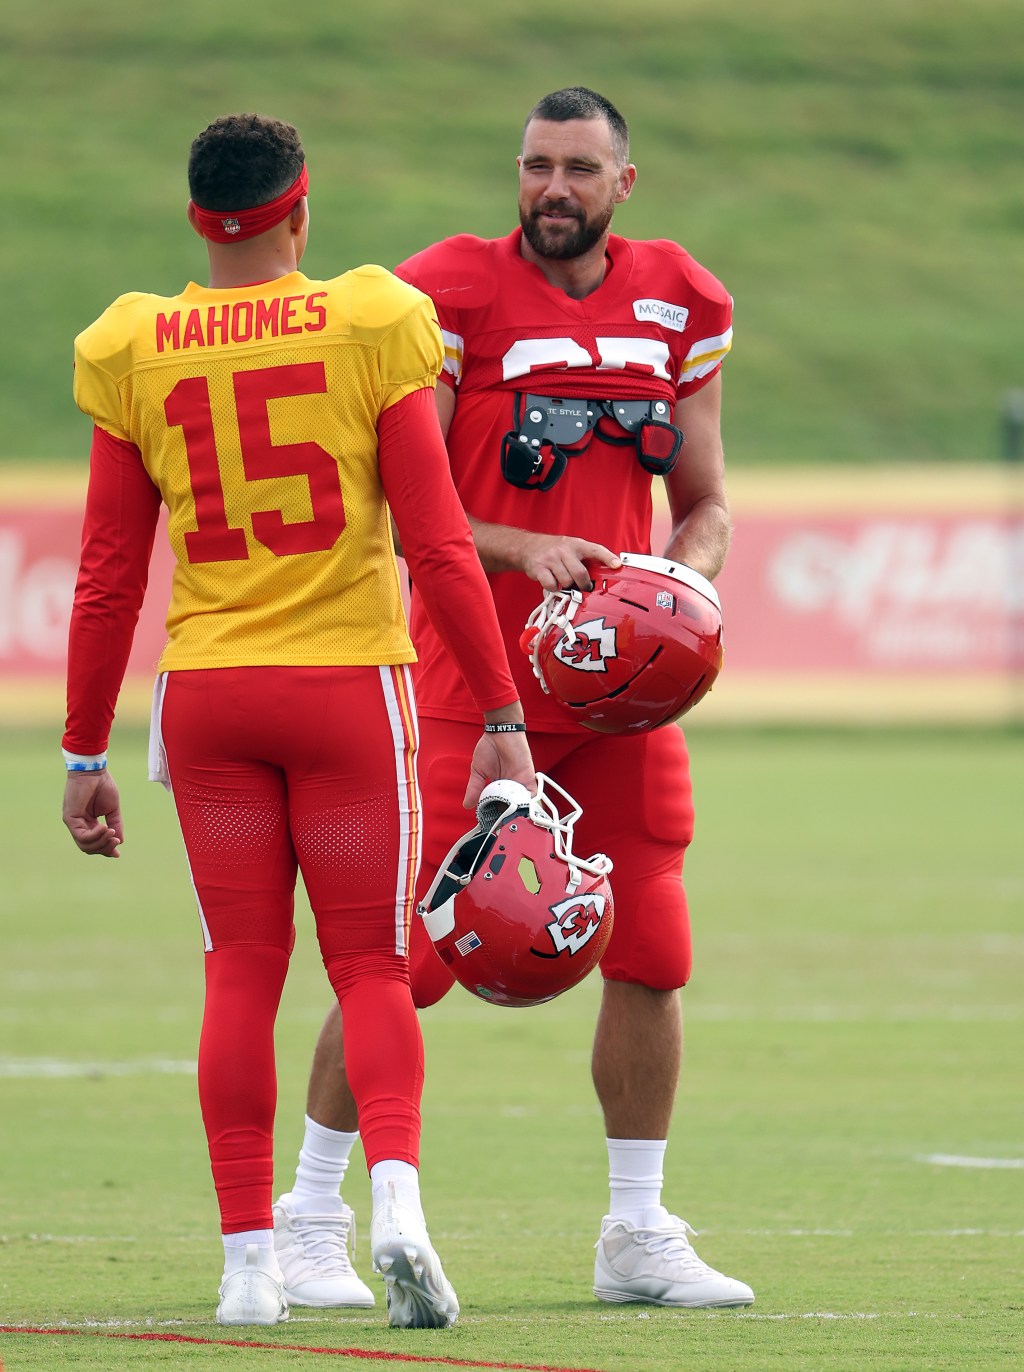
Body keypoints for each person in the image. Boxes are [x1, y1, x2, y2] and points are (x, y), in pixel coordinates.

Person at [273, 86, 754, 1311]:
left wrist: (667, 584)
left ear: (622, 185)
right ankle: (309, 1217)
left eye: (579, 169)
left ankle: (636, 1233)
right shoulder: (447, 289)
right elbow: (401, 499)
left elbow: (703, 503)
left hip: (617, 698)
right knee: (410, 957)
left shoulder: (682, 297)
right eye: (536, 165)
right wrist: (521, 544)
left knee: (652, 943)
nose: (552, 189)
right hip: (472, 680)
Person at [60, 112, 537, 1330]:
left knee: (240, 971)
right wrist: (499, 707)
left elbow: (109, 575)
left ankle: (246, 1273)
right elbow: (436, 542)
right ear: (302, 210)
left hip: (208, 688)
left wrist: (81, 752)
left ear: (194, 220)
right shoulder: (372, 317)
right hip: (343, 686)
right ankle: (396, 1217)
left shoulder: (132, 344)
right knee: (371, 966)